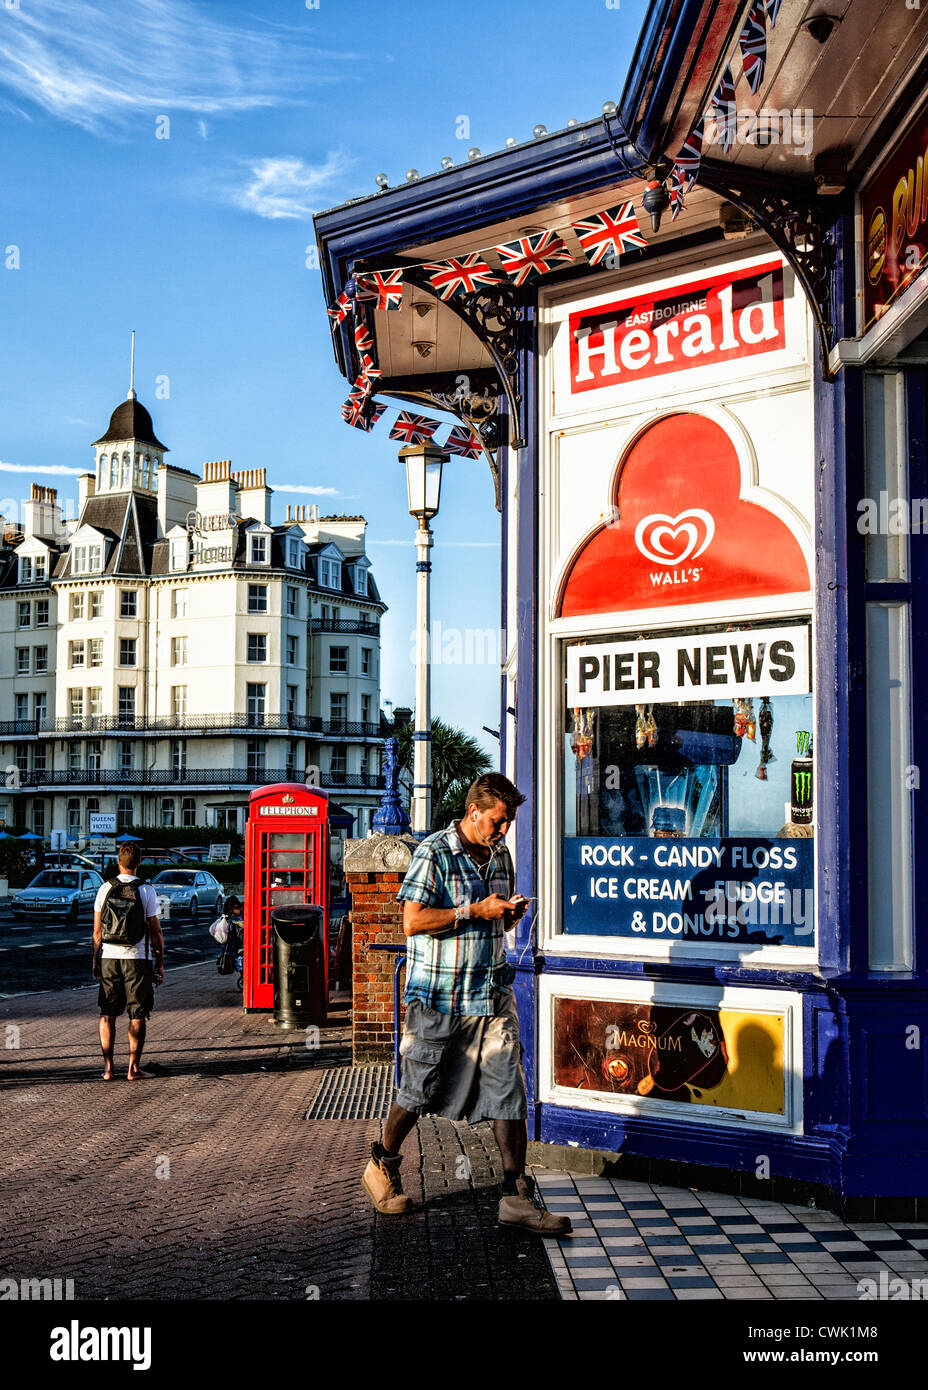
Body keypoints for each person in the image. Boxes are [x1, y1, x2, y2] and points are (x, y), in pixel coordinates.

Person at [362, 772, 571, 1236]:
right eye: (497, 821)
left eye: (509, 823)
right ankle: (382, 1163)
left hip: (491, 995)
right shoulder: (433, 853)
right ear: (473, 811)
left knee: (509, 1092)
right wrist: (474, 911)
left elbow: (493, 921)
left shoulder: (500, 856)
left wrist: (507, 913)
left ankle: (516, 1195)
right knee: (417, 1092)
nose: (503, 831)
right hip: (438, 998)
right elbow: (413, 922)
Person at [92, 841, 164, 1081]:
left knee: (107, 1013)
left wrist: (95, 960)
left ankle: (108, 1068)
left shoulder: (105, 888)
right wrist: (160, 962)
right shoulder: (146, 891)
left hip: (109, 958)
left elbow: (96, 933)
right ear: (139, 862)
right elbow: (156, 932)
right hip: (137, 959)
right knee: (137, 1014)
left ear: (118, 861)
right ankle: (133, 1069)